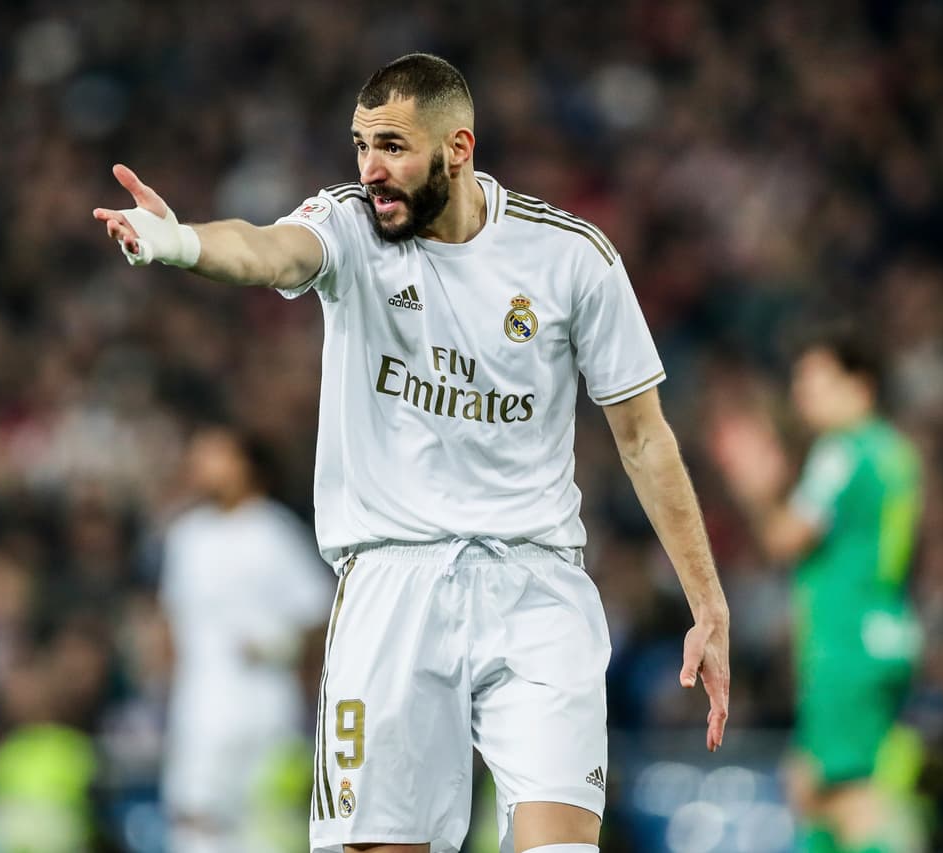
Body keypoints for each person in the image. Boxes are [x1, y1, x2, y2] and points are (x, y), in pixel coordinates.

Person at [95, 52, 729, 853]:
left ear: (458, 148)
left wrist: (707, 602)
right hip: (392, 585)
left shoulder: (571, 258)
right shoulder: (351, 226)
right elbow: (269, 249)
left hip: (536, 586)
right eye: (361, 145)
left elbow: (644, 436)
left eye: (392, 146)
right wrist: (182, 241)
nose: (371, 169)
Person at [713, 332, 923, 853]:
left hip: (845, 643)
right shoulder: (896, 454)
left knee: (848, 796)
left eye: (818, 379)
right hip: (884, 631)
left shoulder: (842, 452)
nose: (803, 392)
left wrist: (756, 488)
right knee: (807, 782)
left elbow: (788, 538)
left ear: (861, 386)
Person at [159, 426, 333, 853]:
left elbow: (321, 612)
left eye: (216, 455)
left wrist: (283, 645)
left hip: (264, 703)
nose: (202, 466)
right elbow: (172, 619)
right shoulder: (186, 536)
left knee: (264, 822)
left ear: (247, 465)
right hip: (200, 701)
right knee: (194, 815)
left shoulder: (275, 532)